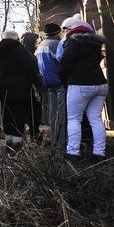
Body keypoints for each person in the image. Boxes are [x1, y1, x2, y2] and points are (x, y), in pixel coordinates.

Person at [59, 20, 108, 161]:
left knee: (74, 119)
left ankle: (73, 152)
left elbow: (65, 63)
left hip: (79, 84)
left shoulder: (73, 41)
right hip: (100, 83)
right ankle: (99, 152)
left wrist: (64, 80)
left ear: (71, 30)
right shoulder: (95, 43)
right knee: (96, 119)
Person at [0, 30, 42, 152]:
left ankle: (8, 142)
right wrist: (35, 84)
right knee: (19, 115)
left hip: (2, 89)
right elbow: (30, 68)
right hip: (20, 89)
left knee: (6, 115)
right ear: (17, 39)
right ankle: (17, 143)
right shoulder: (21, 51)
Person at [36, 22, 66, 150]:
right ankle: (60, 144)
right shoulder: (57, 44)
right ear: (58, 32)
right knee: (61, 115)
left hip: (47, 84)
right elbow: (63, 62)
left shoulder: (41, 45)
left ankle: (53, 142)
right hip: (59, 83)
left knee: (52, 115)